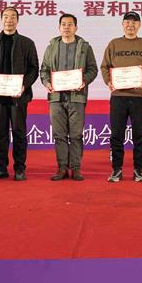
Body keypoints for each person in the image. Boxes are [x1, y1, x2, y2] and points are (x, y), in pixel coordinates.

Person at [0, 7, 39, 181]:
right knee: (0, 133)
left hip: (18, 96)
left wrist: (24, 86)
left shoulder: (27, 43)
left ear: (17, 21)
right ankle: (0, 168)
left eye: (12, 17)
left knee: (19, 132)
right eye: (5, 17)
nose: (9, 20)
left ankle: (20, 168)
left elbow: (34, 68)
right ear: (1, 20)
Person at [100, 11, 142, 183]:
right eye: (127, 22)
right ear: (122, 24)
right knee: (116, 135)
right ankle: (116, 169)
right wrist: (108, 81)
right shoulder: (114, 44)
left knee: (140, 135)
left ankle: (138, 170)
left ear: (139, 25)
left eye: (134, 22)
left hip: (139, 97)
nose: (130, 25)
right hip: (118, 96)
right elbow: (104, 67)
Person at [39, 14, 98, 181]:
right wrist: (47, 83)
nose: (66, 27)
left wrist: (84, 81)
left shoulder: (84, 47)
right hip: (56, 97)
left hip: (76, 97)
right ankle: (62, 168)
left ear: (75, 28)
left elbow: (92, 69)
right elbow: (44, 70)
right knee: (59, 135)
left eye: (70, 24)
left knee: (76, 135)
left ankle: (76, 168)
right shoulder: (51, 47)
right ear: (59, 28)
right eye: (63, 24)